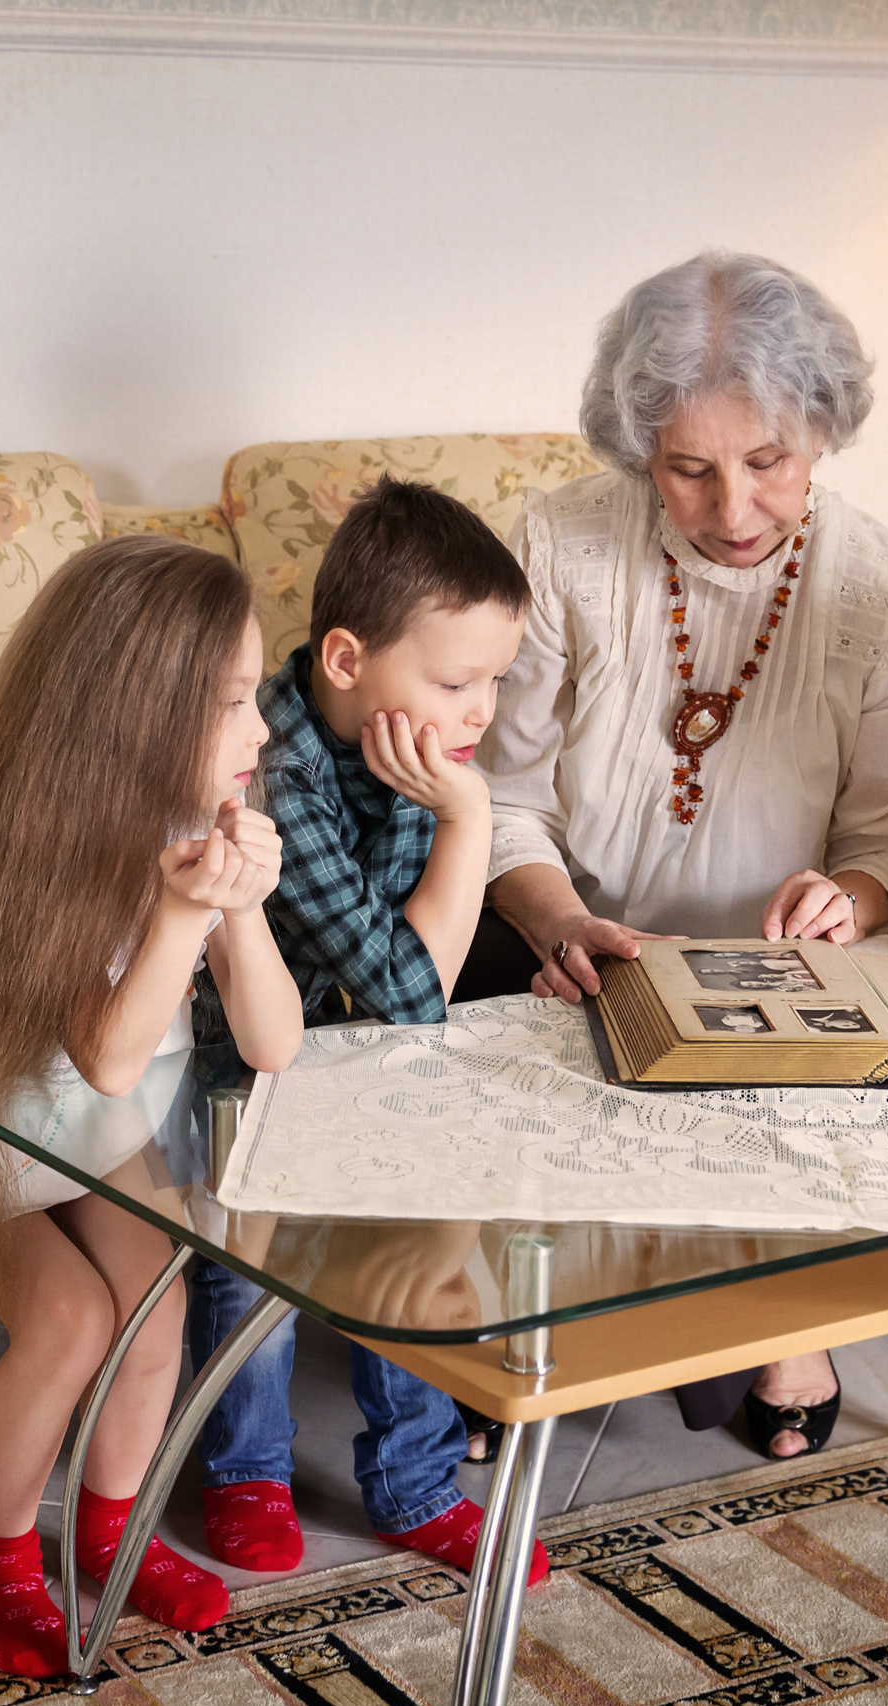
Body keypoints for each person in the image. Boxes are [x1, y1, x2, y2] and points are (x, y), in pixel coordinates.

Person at [471, 251, 888, 1459]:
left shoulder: (877, 583)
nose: (732, 511)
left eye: (766, 463)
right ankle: (720, 1315)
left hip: (774, 977)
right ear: (638, 453)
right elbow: (498, 799)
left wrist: (847, 901)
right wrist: (558, 920)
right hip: (566, 939)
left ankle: (722, 1312)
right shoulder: (560, 548)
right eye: (688, 469)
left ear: (822, 433)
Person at [0, 536, 304, 1678]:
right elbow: (105, 1056)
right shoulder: (41, 845)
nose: (263, 731)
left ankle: (110, 1533)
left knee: (151, 1301)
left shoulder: (200, 831)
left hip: (81, 1136)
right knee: (72, 1320)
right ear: (140, 716)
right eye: (234, 703)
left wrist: (243, 907)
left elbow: (272, 1041)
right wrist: (187, 914)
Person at [185, 478, 550, 1588]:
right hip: (244, 1056)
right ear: (347, 661)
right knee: (246, 1261)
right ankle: (245, 1470)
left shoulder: (409, 753)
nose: (481, 710)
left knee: (425, 1223)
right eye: (456, 680)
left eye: (495, 677)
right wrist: (471, 821)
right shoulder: (274, 774)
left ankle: (419, 1480)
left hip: (372, 1050)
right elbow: (405, 986)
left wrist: (453, 809)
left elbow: (412, 1000)